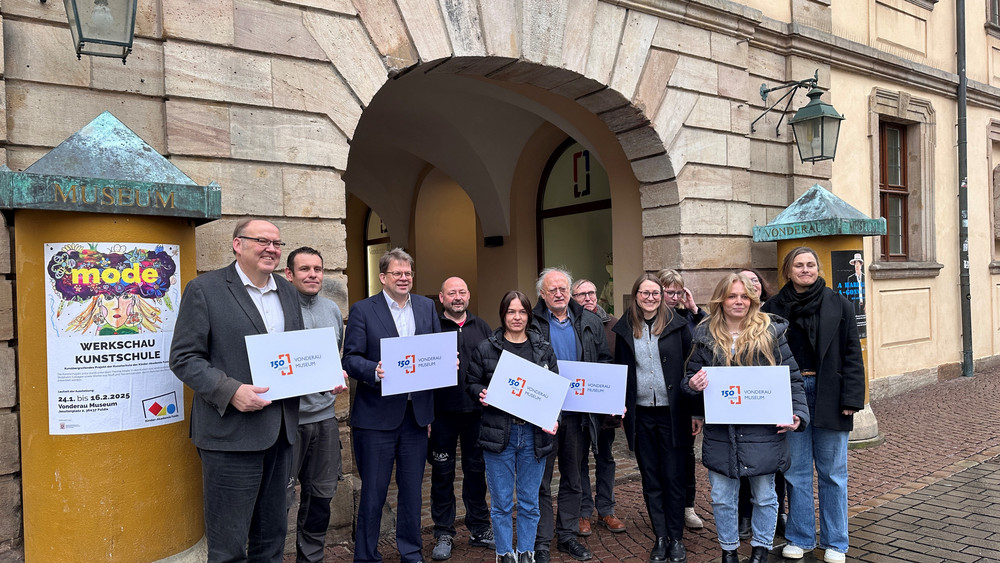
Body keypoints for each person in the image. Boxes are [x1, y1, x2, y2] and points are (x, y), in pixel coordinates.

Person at [169, 218, 304, 562]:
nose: (271, 249)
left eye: (277, 243)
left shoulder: (287, 291)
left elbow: (296, 351)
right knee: (229, 546)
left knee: (272, 538)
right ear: (237, 244)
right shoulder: (205, 289)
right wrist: (230, 391)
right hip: (230, 435)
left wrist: (317, 378)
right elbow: (184, 358)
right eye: (262, 241)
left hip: (281, 432)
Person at [683, 273, 808, 563]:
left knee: (765, 496)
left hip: (764, 430)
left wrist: (798, 414)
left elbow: (793, 379)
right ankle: (729, 551)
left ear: (753, 301)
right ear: (721, 300)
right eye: (732, 296)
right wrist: (692, 386)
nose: (738, 302)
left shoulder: (770, 333)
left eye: (744, 297)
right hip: (721, 432)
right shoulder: (705, 335)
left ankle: (761, 549)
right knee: (722, 498)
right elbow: (688, 380)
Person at [762, 247, 865, 563]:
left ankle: (836, 542)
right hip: (790, 393)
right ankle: (801, 537)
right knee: (796, 472)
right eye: (798, 265)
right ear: (788, 270)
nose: (805, 269)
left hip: (830, 392)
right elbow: (762, 357)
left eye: (810, 264)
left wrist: (851, 398)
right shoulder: (773, 307)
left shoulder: (840, 305)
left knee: (833, 472)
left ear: (818, 269)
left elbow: (852, 354)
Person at [342, 248, 441, 563]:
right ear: (382, 277)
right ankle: (366, 556)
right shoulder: (363, 310)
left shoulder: (426, 307)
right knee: (373, 492)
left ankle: (411, 552)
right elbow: (351, 358)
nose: (404, 278)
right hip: (375, 419)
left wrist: (445, 361)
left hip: (415, 416)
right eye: (397, 273)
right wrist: (374, 371)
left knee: (412, 491)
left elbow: (435, 351)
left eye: (408, 273)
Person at [466, 290, 560, 563]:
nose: (517, 317)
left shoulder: (543, 349)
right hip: (499, 435)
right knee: (502, 503)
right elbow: (471, 382)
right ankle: (505, 553)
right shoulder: (487, 348)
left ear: (529, 315)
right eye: (511, 312)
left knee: (530, 502)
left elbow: (554, 394)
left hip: (534, 435)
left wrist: (555, 420)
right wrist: (480, 391)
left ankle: (527, 551)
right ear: (503, 315)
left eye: (522, 312)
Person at [612, 274, 698, 563]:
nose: (650, 298)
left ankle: (676, 538)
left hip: (673, 413)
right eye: (645, 293)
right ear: (636, 294)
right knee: (651, 478)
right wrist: (620, 407)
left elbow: (693, 367)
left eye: (655, 293)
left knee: (674, 476)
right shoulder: (624, 328)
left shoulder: (678, 325)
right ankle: (660, 536)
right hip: (642, 414)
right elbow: (620, 371)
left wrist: (696, 410)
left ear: (662, 296)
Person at [532, 268, 612, 563]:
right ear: (542, 294)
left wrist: (608, 398)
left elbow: (603, 362)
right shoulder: (532, 322)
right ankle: (541, 539)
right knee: (540, 479)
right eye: (552, 289)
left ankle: (566, 536)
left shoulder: (589, 320)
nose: (558, 293)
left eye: (562, 288)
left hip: (578, 414)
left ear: (569, 291)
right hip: (543, 413)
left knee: (573, 479)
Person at [284, 246, 350, 563]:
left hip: (324, 419)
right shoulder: (277, 310)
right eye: (305, 269)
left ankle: (311, 558)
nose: (313, 275)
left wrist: (336, 376)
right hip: (287, 421)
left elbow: (333, 356)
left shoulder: (332, 311)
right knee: (279, 498)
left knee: (321, 496)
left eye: (318, 269)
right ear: (289, 274)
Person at [430, 277, 495, 560]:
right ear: (442, 298)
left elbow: (494, 368)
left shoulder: (482, 327)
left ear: (468, 295)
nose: (457, 297)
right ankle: (443, 531)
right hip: (441, 413)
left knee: (476, 472)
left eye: (462, 292)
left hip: (476, 414)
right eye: (451, 293)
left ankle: (479, 528)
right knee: (442, 474)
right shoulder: (430, 328)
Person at [570, 279, 625, 535]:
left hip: (605, 408)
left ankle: (607, 510)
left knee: (605, 457)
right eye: (582, 294)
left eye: (592, 292)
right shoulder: (568, 324)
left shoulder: (614, 325)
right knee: (579, 460)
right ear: (573, 298)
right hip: (578, 407)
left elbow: (620, 366)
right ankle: (583, 512)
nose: (589, 297)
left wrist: (617, 402)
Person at [656, 269, 705, 530]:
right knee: (660, 457)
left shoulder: (689, 319)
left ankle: (688, 506)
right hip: (658, 401)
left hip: (684, 401)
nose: (674, 298)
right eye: (669, 292)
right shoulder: (648, 319)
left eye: (678, 292)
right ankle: (664, 506)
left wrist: (695, 310)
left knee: (686, 455)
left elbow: (707, 341)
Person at [737, 268, 783, 538]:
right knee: (742, 468)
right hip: (740, 407)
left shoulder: (774, 319)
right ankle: (745, 516)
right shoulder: (726, 324)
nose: (749, 286)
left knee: (773, 467)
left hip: (768, 403)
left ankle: (776, 515)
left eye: (753, 280)